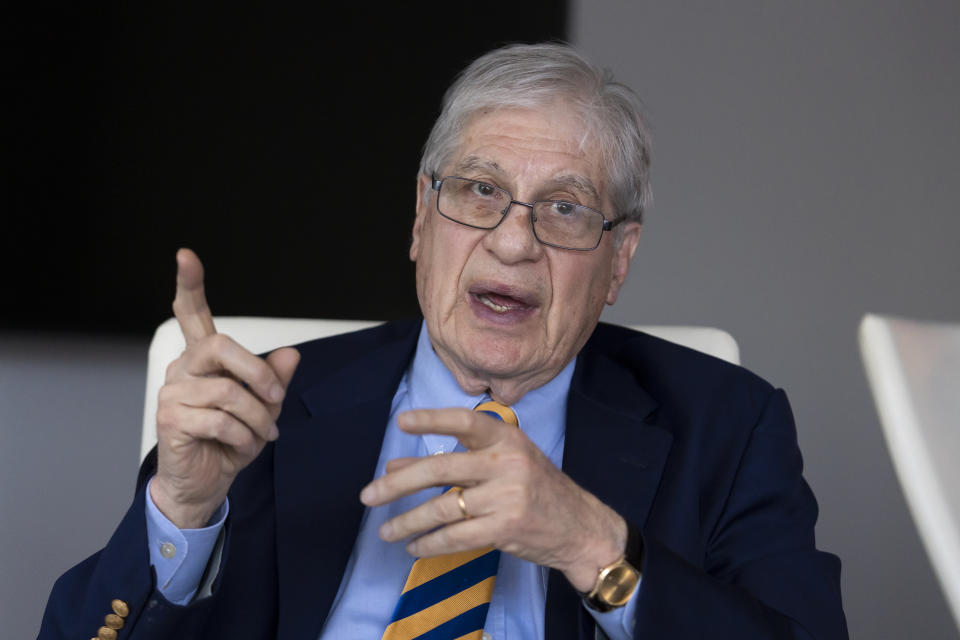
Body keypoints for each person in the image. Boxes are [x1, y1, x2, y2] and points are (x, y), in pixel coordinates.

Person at [40, 43, 847, 639]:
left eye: (564, 208)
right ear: (421, 219)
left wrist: (593, 543)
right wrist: (183, 510)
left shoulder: (730, 426)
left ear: (618, 260)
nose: (513, 242)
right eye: (480, 191)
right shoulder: (269, 411)